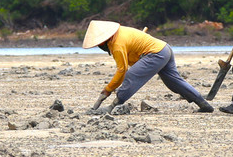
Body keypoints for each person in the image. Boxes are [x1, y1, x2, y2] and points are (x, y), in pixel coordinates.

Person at [82, 20, 214, 114]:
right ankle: (203, 104)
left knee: (130, 76)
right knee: (174, 82)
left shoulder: (117, 44)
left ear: (104, 40)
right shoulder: (121, 32)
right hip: (164, 49)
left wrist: (108, 89)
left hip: (156, 53)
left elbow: (122, 70)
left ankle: (113, 106)